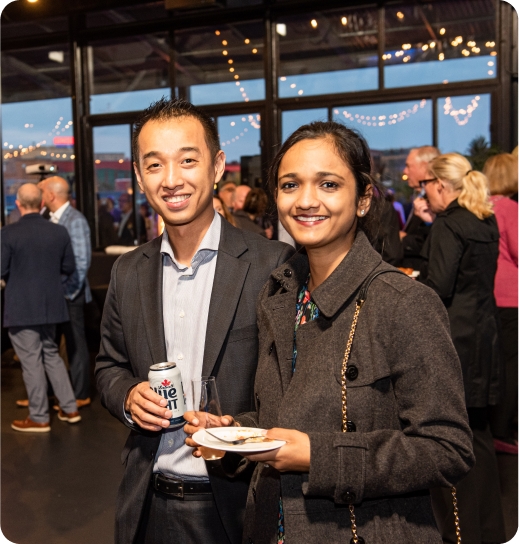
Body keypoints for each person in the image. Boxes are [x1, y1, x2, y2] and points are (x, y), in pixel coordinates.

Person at [185, 122, 474, 543]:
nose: (305, 201)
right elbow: (283, 420)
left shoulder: (402, 301)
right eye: (290, 185)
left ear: (363, 199)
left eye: (328, 184)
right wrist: (231, 432)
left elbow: (447, 449)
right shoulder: (279, 295)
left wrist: (319, 457)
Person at [95, 97, 294, 544]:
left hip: (236, 504)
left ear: (217, 165)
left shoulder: (271, 265)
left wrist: (235, 429)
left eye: (187, 160)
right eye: (154, 165)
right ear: (139, 175)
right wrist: (128, 397)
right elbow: (107, 366)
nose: (172, 180)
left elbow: (294, 386)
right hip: (147, 503)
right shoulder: (128, 272)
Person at [419, 153, 506, 544]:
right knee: (481, 438)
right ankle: (491, 531)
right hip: (486, 338)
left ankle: (462, 534)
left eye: (425, 185)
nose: (423, 193)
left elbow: (439, 288)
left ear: (439, 185)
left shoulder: (449, 225)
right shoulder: (486, 222)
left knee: (450, 442)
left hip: (455, 341)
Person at [0, 183, 81, 432]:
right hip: (51, 306)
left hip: (21, 308)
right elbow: (69, 268)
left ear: (18, 203)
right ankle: (69, 408)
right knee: (51, 356)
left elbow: (1, 270)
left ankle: (39, 417)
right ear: (42, 203)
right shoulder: (59, 232)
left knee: (31, 361)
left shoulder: (8, 233)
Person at [38, 176, 93, 409]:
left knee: (75, 344)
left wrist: (68, 293)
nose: (39, 198)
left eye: (41, 193)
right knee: (50, 346)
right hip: (55, 294)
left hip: (71, 294)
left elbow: (81, 263)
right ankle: (51, 394)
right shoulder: (47, 218)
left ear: (51, 195)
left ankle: (81, 394)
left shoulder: (75, 220)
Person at [483, 154, 519, 454]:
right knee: (511, 367)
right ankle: (503, 432)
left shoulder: (483, 208)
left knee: (496, 364)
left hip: (489, 295)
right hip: (512, 297)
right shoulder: (510, 208)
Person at [401, 146, 441, 269]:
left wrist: (402, 238)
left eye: (409, 166)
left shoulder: (436, 200)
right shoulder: (421, 195)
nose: (405, 171)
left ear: (425, 166)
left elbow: (431, 242)